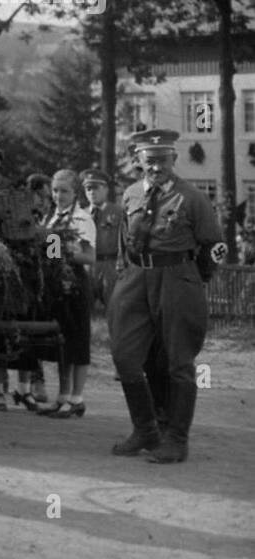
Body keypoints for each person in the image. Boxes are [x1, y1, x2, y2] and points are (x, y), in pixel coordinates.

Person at [109, 129, 223, 464]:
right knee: (125, 357)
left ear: (174, 160)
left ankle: (176, 439)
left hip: (177, 278)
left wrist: (196, 278)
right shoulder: (130, 194)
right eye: (149, 161)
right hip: (135, 277)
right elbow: (123, 240)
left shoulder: (191, 198)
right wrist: (125, 272)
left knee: (179, 362)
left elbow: (215, 246)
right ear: (138, 162)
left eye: (163, 160)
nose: (156, 167)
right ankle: (145, 429)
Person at [36, 169, 96, 418]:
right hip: (55, 283)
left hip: (76, 283)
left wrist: (62, 254)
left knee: (78, 341)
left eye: (65, 191)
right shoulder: (50, 218)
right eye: (55, 191)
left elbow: (89, 257)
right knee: (61, 344)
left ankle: (77, 398)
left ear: (75, 193)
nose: (59, 196)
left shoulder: (82, 219)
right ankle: (62, 396)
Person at [82, 169, 121, 313]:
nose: (92, 192)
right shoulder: (81, 214)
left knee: (114, 310)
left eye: (96, 188)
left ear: (106, 189)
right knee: (84, 310)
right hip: (86, 266)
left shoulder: (118, 213)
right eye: (88, 188)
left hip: (110, 266)